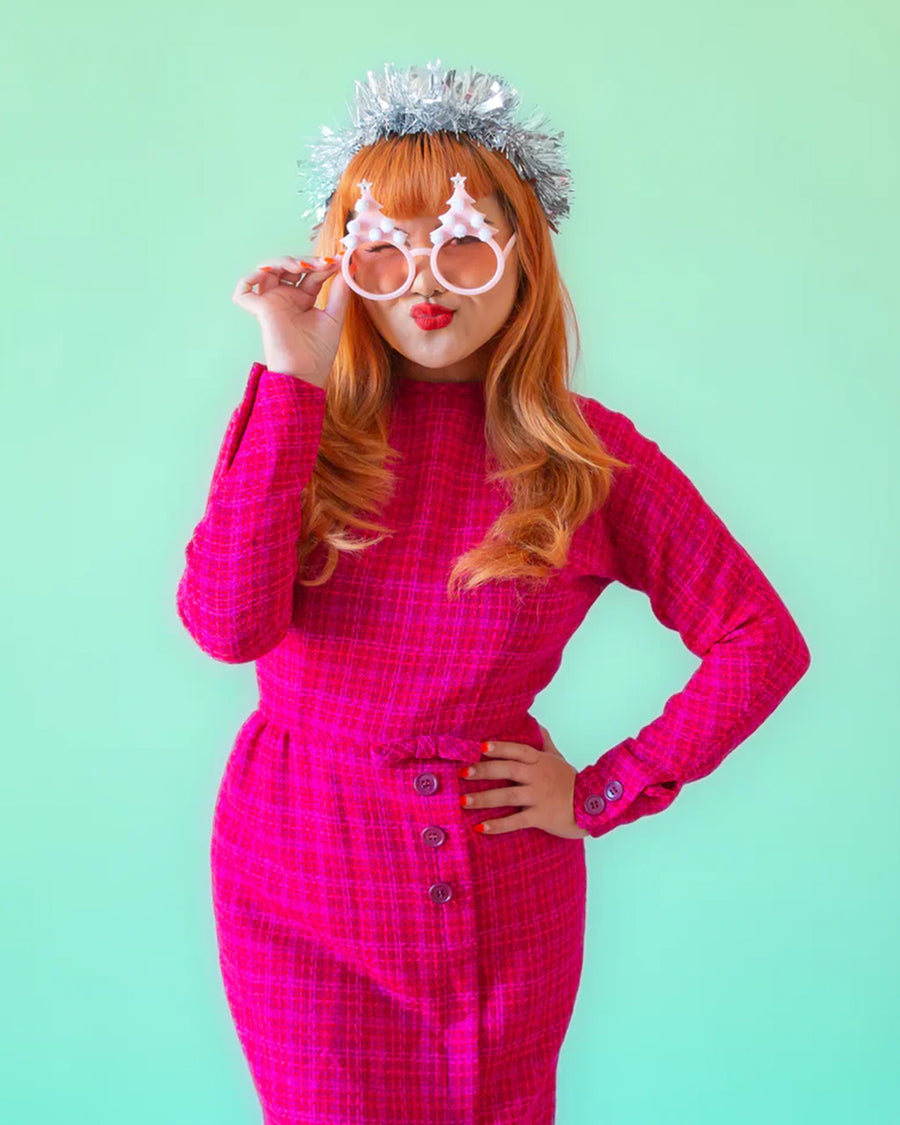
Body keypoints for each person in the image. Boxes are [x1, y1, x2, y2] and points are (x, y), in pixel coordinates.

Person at [176, 60, 811, 1125]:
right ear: (344, 266)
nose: (427, 277)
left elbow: (760, 640)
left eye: (464, 239)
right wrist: (291, 371)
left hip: (480, 874)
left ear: (522, 260)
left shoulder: (591, 459)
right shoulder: (296, 428)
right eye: (385, 248)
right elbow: (228, 629)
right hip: (289, 866)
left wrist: (605, 792)